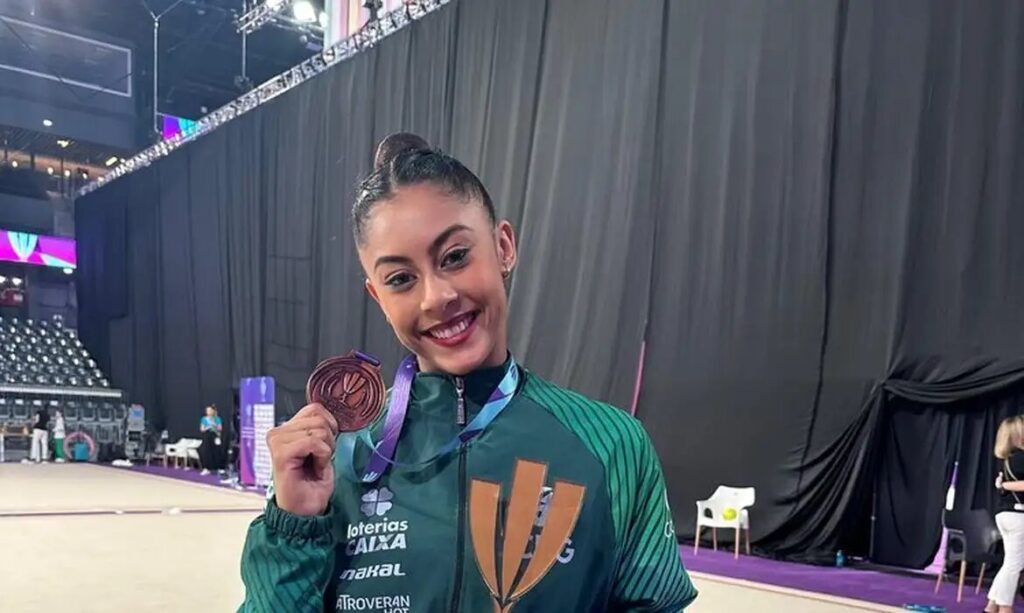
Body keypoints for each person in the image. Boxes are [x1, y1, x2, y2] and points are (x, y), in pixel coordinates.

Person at [239, 134, 697, 612]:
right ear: (378, 296)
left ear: (503, 247)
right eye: (400, 279)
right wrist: (293, 526)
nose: (436, 297)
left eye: (455, 256)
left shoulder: (613, 446)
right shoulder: (336, 461)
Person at [987, 415, 1024, 613]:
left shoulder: (1005, 460)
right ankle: (1005, 608)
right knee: (1013, 566)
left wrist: (1005, 485)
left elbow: (1001, 485)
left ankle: (991, 606)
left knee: (1009, 564)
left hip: (1005, 515)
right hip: (1019, 516)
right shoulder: (1021, 459)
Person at [198, 405, 224, 475]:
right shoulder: (204, 419)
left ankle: (219, 468)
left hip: (215, 436)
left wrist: (214, 426)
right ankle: (206, 468)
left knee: (217, 451)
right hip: (207, 436)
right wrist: (208, 427)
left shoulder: (217, 418)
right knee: (206, 452)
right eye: (207, 410)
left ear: (213, 411)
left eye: (209, 410)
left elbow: (220, 428)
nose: (208, 412)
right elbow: (202, 429)